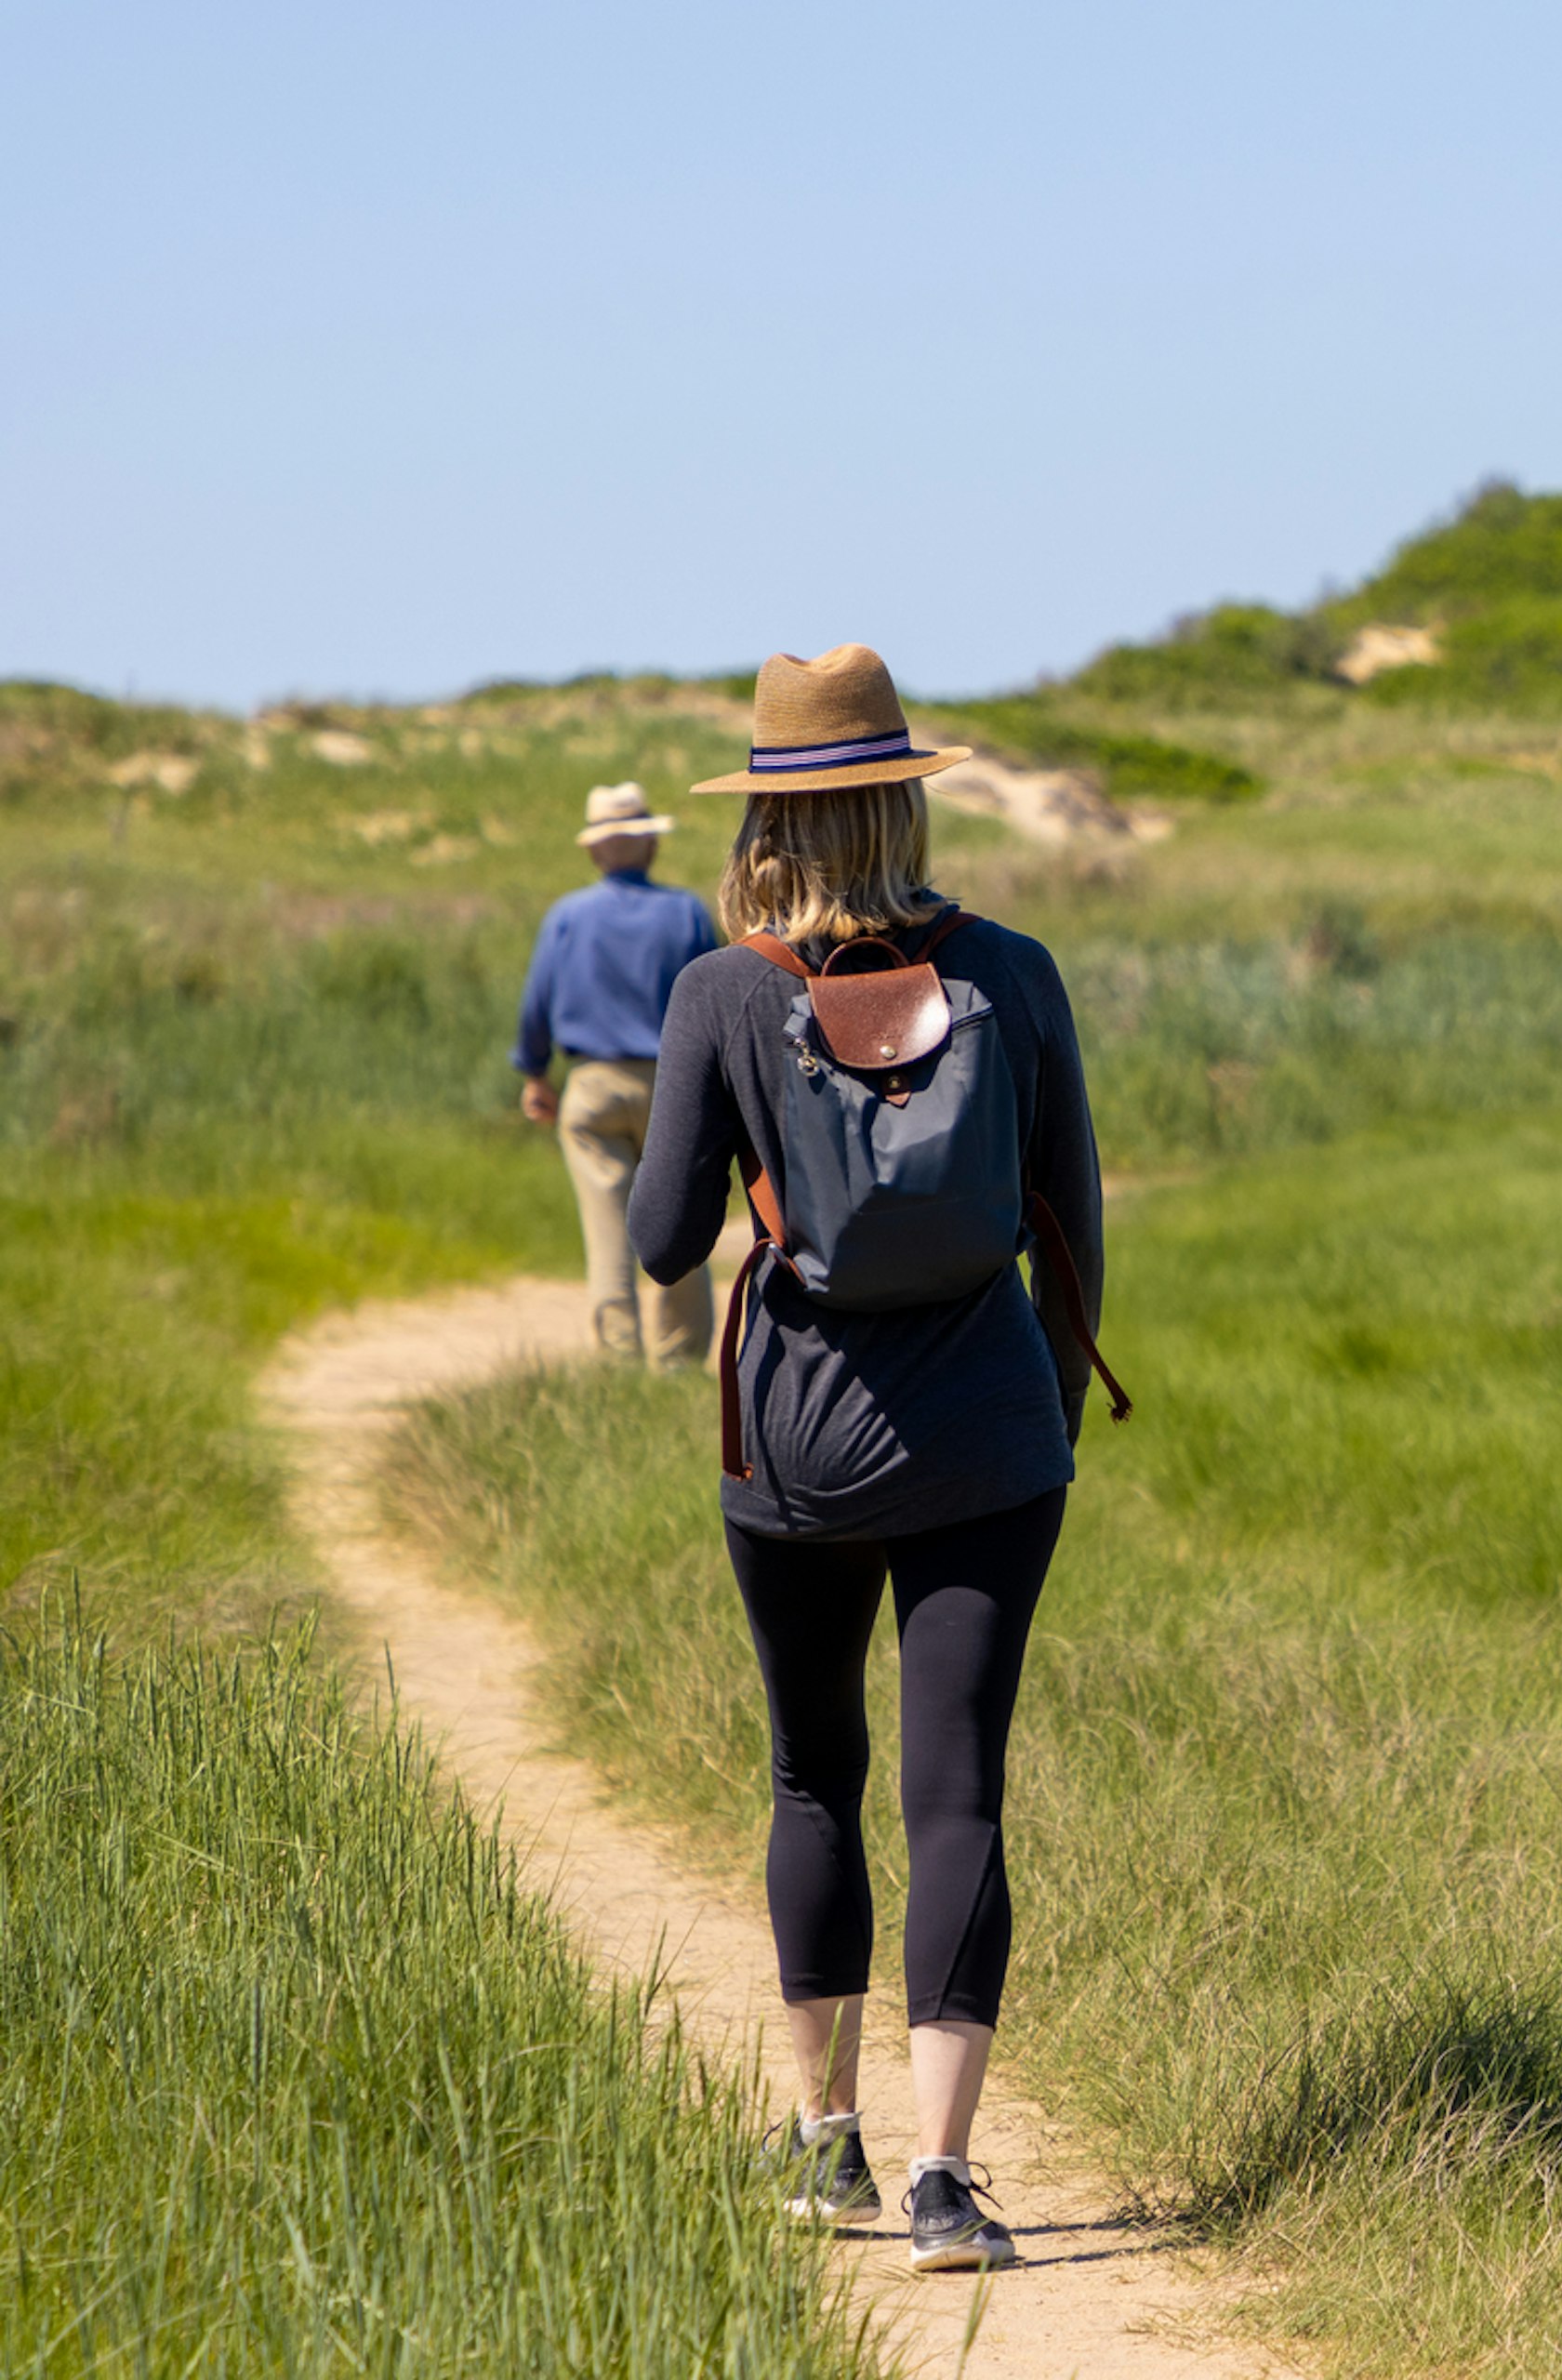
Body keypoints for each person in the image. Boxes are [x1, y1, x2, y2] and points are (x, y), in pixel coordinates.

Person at [626, 645, 1105, 2277]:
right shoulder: (1017, 972)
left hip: (796, 1460)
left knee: (814, 1771)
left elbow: (664, 1247)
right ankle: (948, 2181)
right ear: (909, 797)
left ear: (765, 817)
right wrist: (1031, 1422)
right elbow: (1074, 1232)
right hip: (990, 1443)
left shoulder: (724, 989)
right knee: (959, 1786)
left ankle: (825, 2146)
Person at [512, 783, 721, 1365]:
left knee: (607, 1232)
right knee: (680, 1222)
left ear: (594, 851)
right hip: (674, 1089)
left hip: (592, 1087)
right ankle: (679, 1358)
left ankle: (618, 1357)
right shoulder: (684, 911)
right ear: (652, 844)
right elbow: (715, 1002)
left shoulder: (567, 917)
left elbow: (537, 1005)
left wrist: (534, 1074)